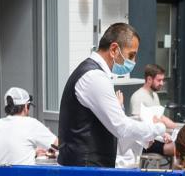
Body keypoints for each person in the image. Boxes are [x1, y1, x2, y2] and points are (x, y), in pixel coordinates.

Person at [57, 23, 165, 167]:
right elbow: (121, 127)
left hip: (86, 167)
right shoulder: (94, 77)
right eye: (131, 55)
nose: (133, 62)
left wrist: (144, 138)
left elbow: (113, 129)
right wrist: (157, 129)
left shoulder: (93, 74)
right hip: (85, 171)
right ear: (114, 49)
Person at [0, 87, 57, 166]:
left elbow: (8, 150)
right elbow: (58, 145)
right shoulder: (31, 123)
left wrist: (34, 153)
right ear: (26, 106)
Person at [128, 64, 176, 157]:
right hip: (145, 142)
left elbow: (160, 118)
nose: (162, 83)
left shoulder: (155, 95)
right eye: (159, 80)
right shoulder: (138, 97)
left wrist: (178, 127)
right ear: (149, 79)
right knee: (176, 148)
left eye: (162, 80)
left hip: (157, 136)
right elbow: (140, 122)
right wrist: (163, 132)